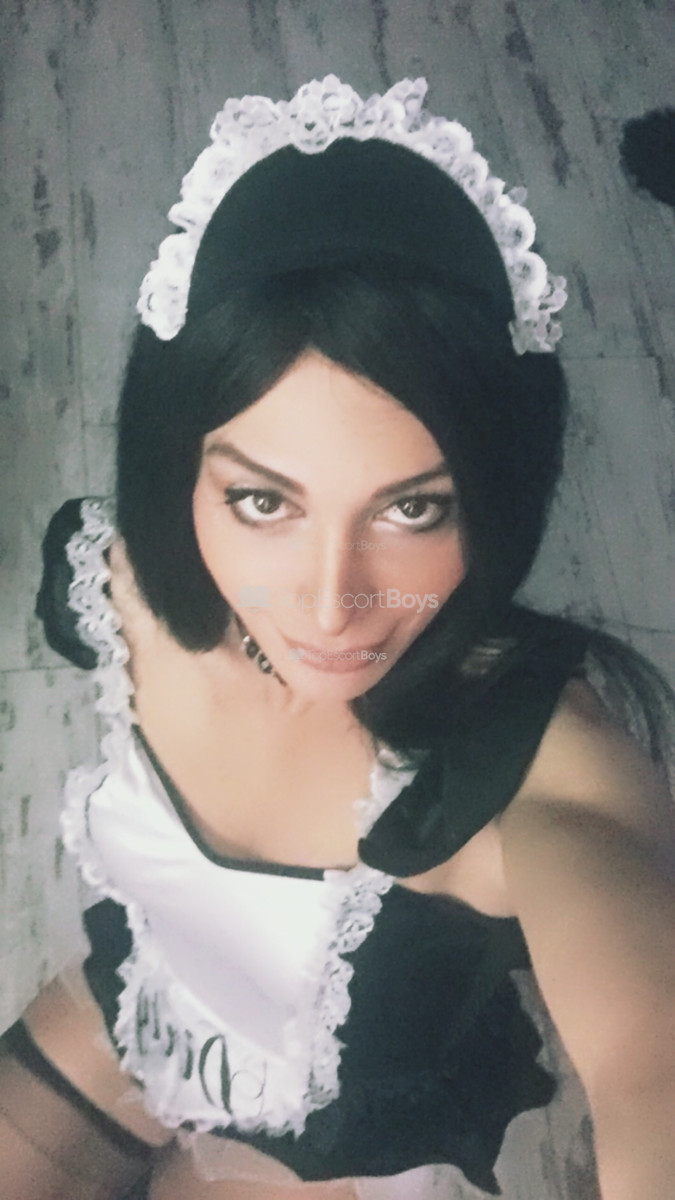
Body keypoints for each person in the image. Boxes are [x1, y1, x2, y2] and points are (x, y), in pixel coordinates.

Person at [1, 75, 674, 1200]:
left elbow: (652, 1066)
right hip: (138, 1017)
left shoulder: (533, 773)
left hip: (340, 1141)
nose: (327, 609)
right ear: (178, 473)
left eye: (412, 509)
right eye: (263, 501)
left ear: (494, 498)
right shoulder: (110, 585)